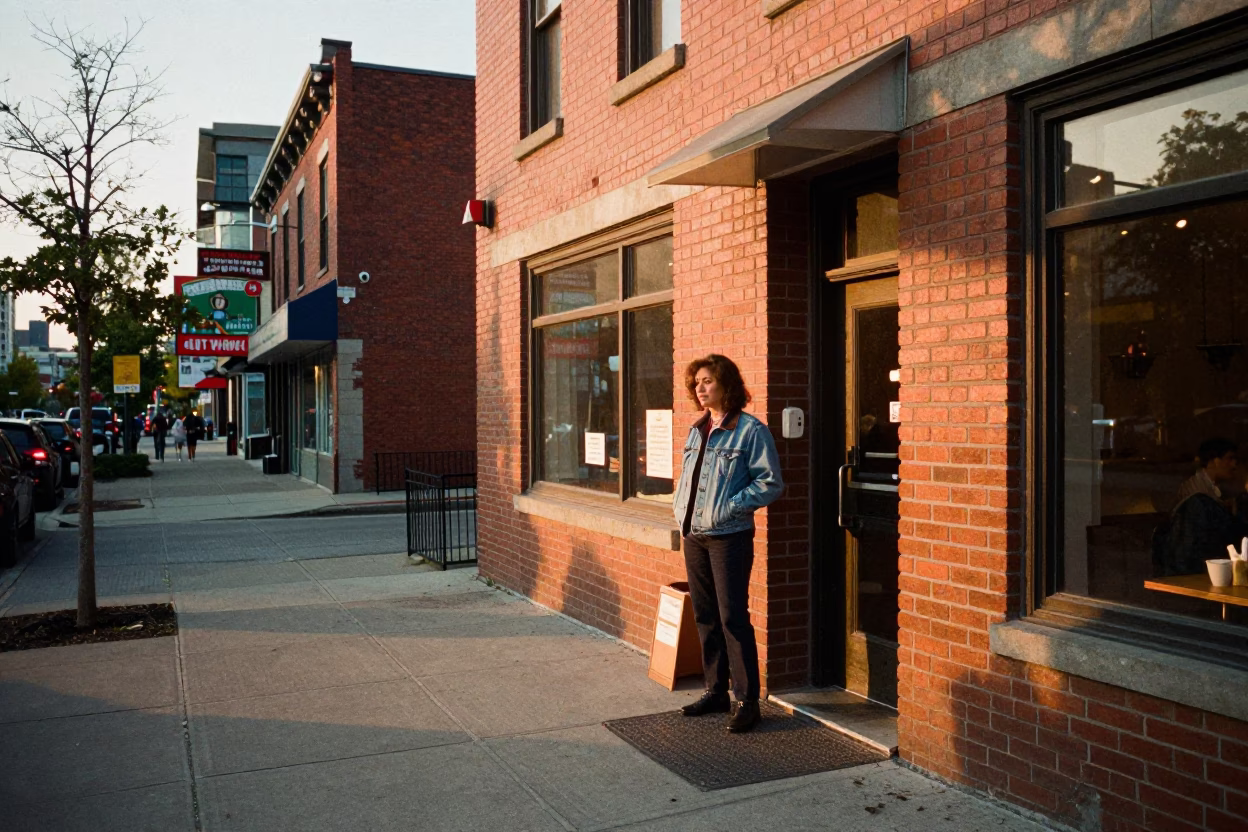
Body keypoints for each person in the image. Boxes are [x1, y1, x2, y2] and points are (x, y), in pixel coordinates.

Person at [671, 354, 784, 734]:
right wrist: (681, 511)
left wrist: (729, 507)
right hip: (694, 536)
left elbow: (770, 482)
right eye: (696, 382)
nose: (700, 388)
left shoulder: (750, 431)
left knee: (732, 616)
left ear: (726, 384)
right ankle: (716, 691)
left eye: (707, 381)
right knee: (705, 616)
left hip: (728, 537)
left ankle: (747, 701)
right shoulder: (697, 429)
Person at [1156, 437, 1247, 576]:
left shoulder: (1214, 489)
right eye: (1229, 458)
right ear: (1213, 461)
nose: (1234, 465)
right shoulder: (1196, 495)